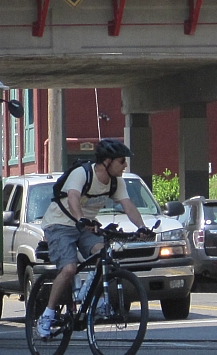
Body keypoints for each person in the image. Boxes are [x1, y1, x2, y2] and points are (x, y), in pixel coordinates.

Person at [36, 138, 152, 338]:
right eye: (121, 161)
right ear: (107, 161)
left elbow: (128, 206)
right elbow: (73, 197)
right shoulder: (83, 173)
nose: (125, 166)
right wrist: (80, 219)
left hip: (85, 226)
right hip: (59, 224)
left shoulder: (116, 182)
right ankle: (47, 315)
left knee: (104, 255)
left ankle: (92, 298)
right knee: (69, 268)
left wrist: (141, 227)